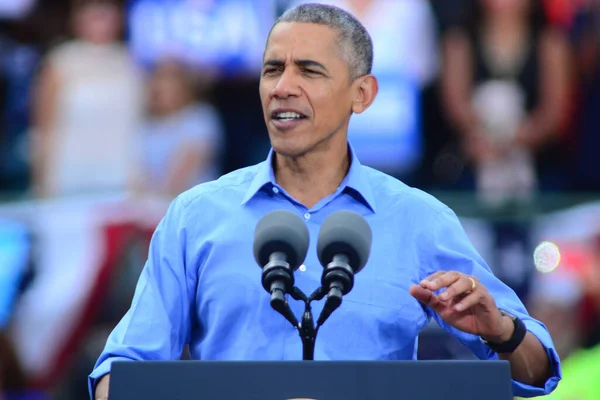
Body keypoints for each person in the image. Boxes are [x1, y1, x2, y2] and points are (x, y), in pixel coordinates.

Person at [89, 4, 561, 399]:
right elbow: (123, 369)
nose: (282, 86)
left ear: (362, 94)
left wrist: (501, 330)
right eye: (272, 69)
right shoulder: (194, 216)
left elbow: (538, 372)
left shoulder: (418, 218)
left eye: (308, 70)